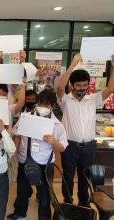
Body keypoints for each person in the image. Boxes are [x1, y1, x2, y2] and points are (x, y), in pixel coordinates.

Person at [56, 53, 114, 207]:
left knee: (85, 176)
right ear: (73, 85)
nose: (82, 89)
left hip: (89, 146)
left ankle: (83, 202)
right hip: (69, 146)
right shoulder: (65, 100)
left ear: (88, 84)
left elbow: (110, 88)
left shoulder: (92, 99)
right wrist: (73, 64)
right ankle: (67, 202)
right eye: (78, 85)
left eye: (84, 85)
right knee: (68, 175)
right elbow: (60, 87)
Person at [8, 89, 68, 220]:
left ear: (52, 106)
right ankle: (20, 214)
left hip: (45, 164)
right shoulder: (26, 117)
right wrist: (15, 152)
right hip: (24, 160)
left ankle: (44, 217)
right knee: (22, 192)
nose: (43, 107)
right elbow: (17, 135)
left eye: (47, 105)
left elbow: (62, 148)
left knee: (44, 196)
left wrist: (54, 142)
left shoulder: (57, 125)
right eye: (41, 103)